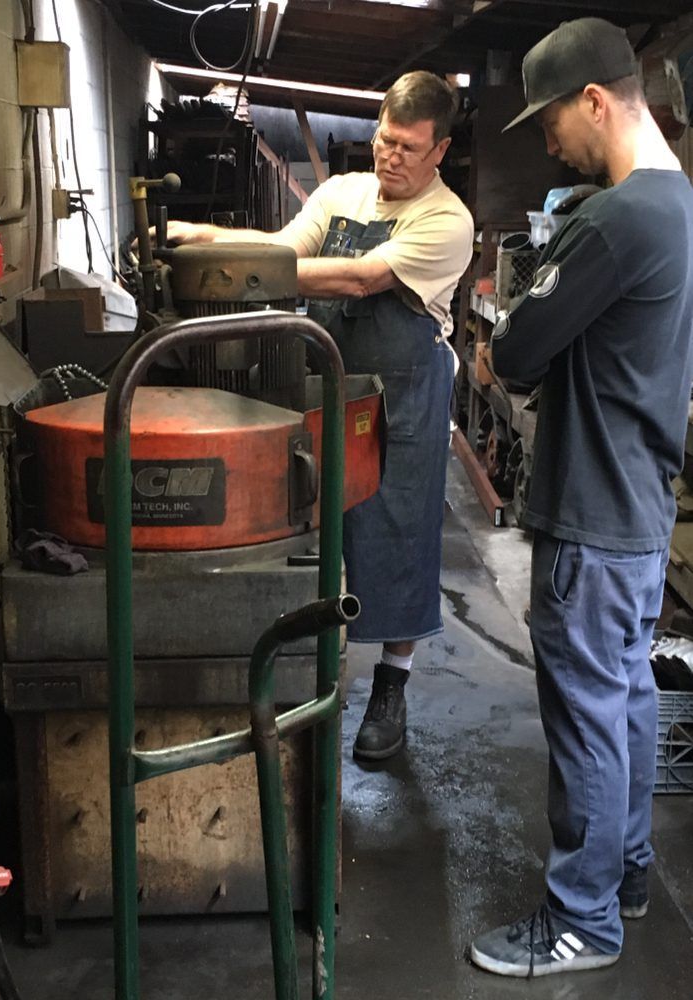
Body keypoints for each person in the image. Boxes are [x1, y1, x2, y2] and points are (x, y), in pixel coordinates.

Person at [469, 17, 693, 978]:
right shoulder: (683, 208)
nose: (546, 141)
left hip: (593, 510)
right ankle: (628, 874)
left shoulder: (615, 219)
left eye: (552, 120)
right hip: (639, 504)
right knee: (627, 695)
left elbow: (516, 348)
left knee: (588, 712)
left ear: (596, 101)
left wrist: (503, 342)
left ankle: (583, 919)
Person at [163, 71, 473, 761]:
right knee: (313, 524)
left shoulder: (447, 220)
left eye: (409, 149)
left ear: (440, 150)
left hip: (404, 398)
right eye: (385, 141)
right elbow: (285, 249)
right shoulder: (342, 193)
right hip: (332, 384)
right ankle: (309, 674)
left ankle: (391, 686)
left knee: (398, 534)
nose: (391, 157)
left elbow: (361, 278)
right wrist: (208, 240)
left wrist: (243, 274)